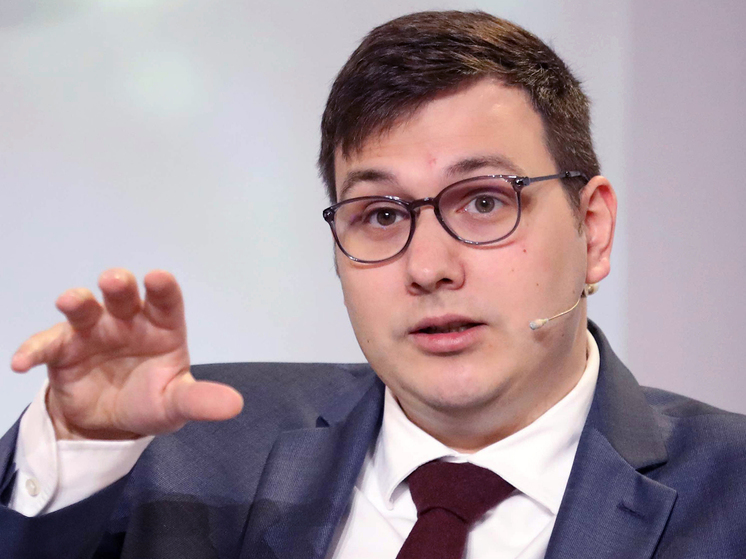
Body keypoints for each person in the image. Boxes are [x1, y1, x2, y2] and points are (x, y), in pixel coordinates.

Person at [1, 9, 745, 559]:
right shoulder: (183, 450)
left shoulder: (729, 493)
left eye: (485, 202)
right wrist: (77, 452)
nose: (429, 267)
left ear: (594, 229)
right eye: (382, 215)